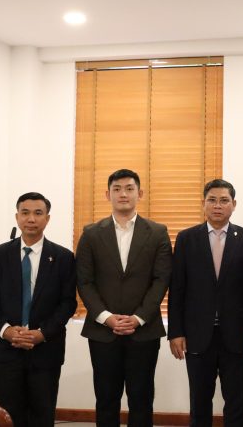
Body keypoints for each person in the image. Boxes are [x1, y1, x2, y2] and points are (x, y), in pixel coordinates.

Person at [76, 169, 172, 427]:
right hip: (103, 332)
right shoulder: (91, 233)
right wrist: (106, 317)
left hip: (144, 330)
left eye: (129, 188)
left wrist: (139, 317)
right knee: (106, 399)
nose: (123, 194)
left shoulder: (158, 232)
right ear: (107, 195)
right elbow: (84, 281)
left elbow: (161, 280)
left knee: (142, 399)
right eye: (117, 189)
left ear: (140, 194)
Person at [167, 179, 243, 427]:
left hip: (236, 333)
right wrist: (175, 332)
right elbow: (177, 289)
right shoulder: (187, 239)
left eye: (224, 200)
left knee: (236, 402)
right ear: (203, 203)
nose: (217, 205)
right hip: (198, 334)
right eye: (212, 200)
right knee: (199, 402)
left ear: (234, 204)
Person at [0, 192, 76, 427]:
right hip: (7, 350)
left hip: (45, 351)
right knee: (9, 417)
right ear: (17, 217)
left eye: (38, 213)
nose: (31, 219)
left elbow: (68, 303)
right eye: (25, 213)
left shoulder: (63, 257)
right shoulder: (0, 254)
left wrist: (42, 333)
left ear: (47, 219)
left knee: (42, 415)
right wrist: (6, 330)